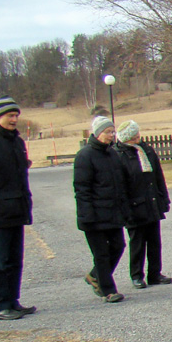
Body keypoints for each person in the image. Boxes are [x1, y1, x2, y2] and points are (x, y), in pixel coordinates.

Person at [0, 95, 35, 320]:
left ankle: (13, 301)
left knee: (15, 259)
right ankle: (0, 305)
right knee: (0, 261)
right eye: (10, 116)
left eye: (16, 116)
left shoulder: (17, 142)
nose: (14, 120)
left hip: (16, 211)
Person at [74, 116, 129, 303]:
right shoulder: (85, 156)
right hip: (94, 216)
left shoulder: (113, 154)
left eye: (113, 132)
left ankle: (94, 276)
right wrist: (87, 215)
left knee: (118, 246)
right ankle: (108, 290)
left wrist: (124, 208)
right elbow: (82, 189)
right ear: (97, 133)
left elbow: (120, 184)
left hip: (112, 212)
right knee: (101, 253)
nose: (111, 135)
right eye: (107, 132)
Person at [114, 120, 172, 289]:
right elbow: (121, 185)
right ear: (128, 138)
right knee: (137, 242)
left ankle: (155, 273)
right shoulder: (119, 155)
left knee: (155, 241)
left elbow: (158, 177)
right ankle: (136, 275)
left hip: (152, 202)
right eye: (135, 135)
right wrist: (126, 208)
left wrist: (163, 198)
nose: (138, 137)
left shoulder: (147, 150)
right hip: (134, 206)